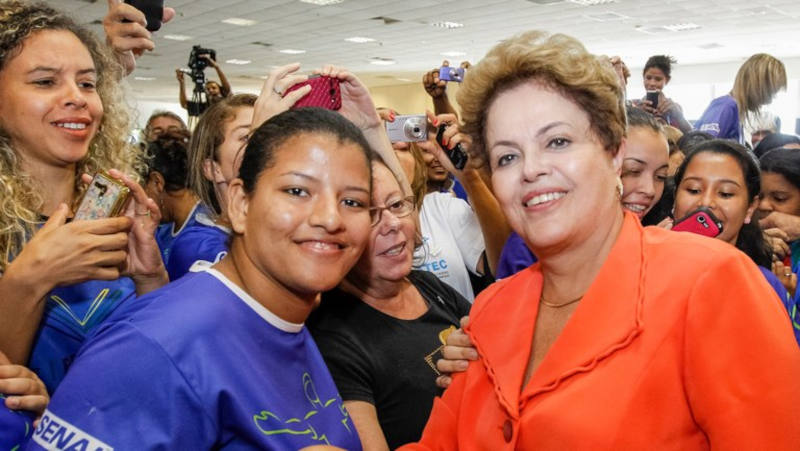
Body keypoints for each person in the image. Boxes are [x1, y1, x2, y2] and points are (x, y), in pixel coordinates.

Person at [402, 30, 800, 450]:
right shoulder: (491, 310)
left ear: (613, 151)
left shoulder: (710, 283)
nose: (531, 170)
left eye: (557, 141)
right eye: (507, 156)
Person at [30, 108, 371, 450]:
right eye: (297, 191)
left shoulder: (281, 317)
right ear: (239, 203)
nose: (330, 218)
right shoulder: (154, 346)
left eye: (353, 201)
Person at [0, 0, 166, 393]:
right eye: (45, 81)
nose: (77, 97)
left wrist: (150, 279)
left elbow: (163, 366)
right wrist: (30, 278)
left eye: (88, 83)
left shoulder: (114, 218)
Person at [308, 159, 471, 450]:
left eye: (397, 205)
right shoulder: (332, 339)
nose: (393, 224)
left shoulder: (428, 286)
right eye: (371, 215)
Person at [496, 106, 669, 277]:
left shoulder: (666, 244)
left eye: (661, 176)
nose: (650, 190)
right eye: (633, 170)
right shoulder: (530, 247)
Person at [669, 139, 791, 308]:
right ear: (675, 197)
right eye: (693, 190)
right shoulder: (643, 268)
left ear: (750, 208)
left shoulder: (764, 286)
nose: (705, 203)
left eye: (725, 194)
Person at [142, 131, 205, 267]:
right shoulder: (162, 230)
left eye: (142, 188)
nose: (140, 200)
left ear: (156, 182)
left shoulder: (207, 231)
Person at [694, 53, 786, 144]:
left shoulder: (735, 110)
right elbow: (702, 151)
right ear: (759, 86)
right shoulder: (727, 106)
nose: (769, 101)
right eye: (771, 93)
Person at [634, 55, 692, 133]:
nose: (652, 83)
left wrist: (678, 116)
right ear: (643, 77)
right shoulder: (634, 105)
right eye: (648, 78)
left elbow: (691, 134)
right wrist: (636, 114)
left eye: (658, 79)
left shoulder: (674, 108)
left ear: (667, 80)